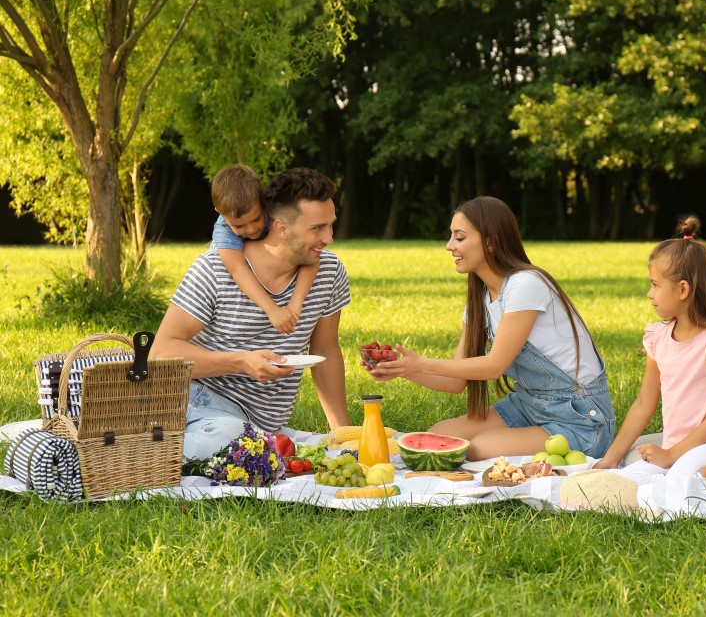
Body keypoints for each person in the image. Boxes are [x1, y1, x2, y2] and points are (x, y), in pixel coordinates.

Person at [367, 196, 615, 461]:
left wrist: (423, 363)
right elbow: (455, 382)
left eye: (459, 237)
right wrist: (403, 368)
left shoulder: (526, 284)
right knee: (438, 435)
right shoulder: (480, 300)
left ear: (490, 241)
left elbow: (494, 365)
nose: (449, 246)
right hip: (528, 406)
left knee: (480, 448)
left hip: (579, 418)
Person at [152, 167, 351, 460]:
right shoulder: (214, 269)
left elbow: (326, 351)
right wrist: (242, 362)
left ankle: (247, 443)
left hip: (261, 425)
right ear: (282, 228)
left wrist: (344, 437)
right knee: (230, 437)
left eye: (330, 225)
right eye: (317, 228)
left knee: (249, 444)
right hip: (200, 402)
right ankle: (123, 457)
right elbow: (160, 354)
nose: (330, 238)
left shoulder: (329, 272)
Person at [594, 216, 706, 484]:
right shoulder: (658, 338)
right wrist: (611, 459)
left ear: (682, 290)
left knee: (683, 478)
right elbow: (644, 404)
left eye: (655, 285)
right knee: (623, 482)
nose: (649, 293)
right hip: (676, 448)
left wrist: (671, 455)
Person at [211, 164, 318, 334]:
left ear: (264, 201)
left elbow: (310, 257)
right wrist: (272, 310)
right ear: (220, 213)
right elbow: (237, 270)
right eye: (239, 226)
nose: (251, 230)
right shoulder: (224, 230)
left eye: (256, 219)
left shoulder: (276, 212)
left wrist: (296, 302)